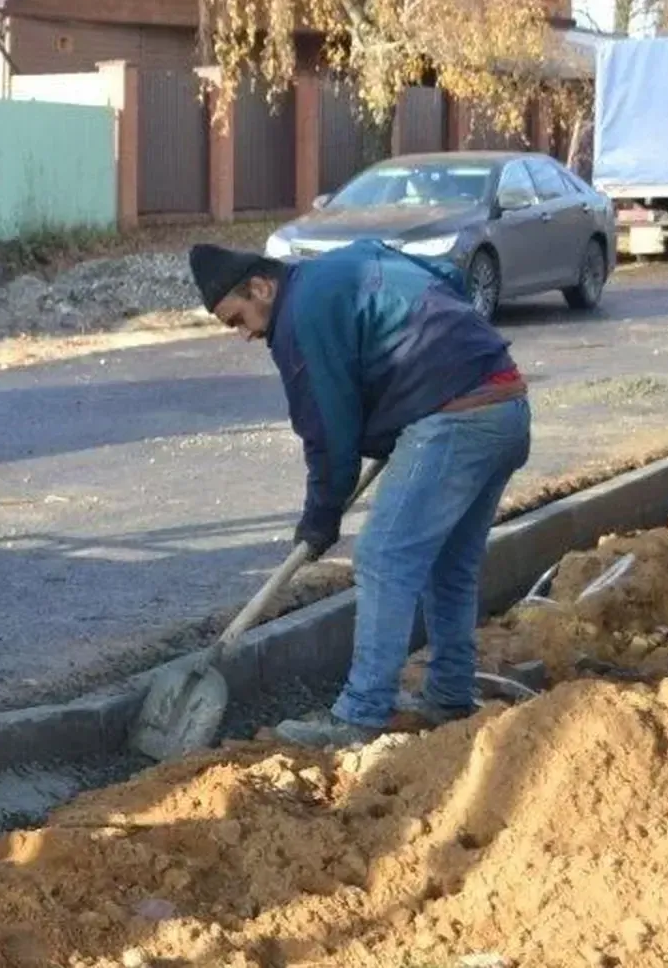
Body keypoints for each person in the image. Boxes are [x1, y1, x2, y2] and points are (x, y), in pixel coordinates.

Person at [187, 239, 532, 748]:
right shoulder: (348, 262)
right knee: (449, 566)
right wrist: (406, 388)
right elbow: (448, 280)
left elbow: (327, 429)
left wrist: (321, 518)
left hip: (457, 416)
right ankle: (449, 696)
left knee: (382, 558)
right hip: (506, 406)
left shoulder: (298, 318)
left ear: (261, 286)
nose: (245, 335)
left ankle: (361, 714)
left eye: (238, 319)